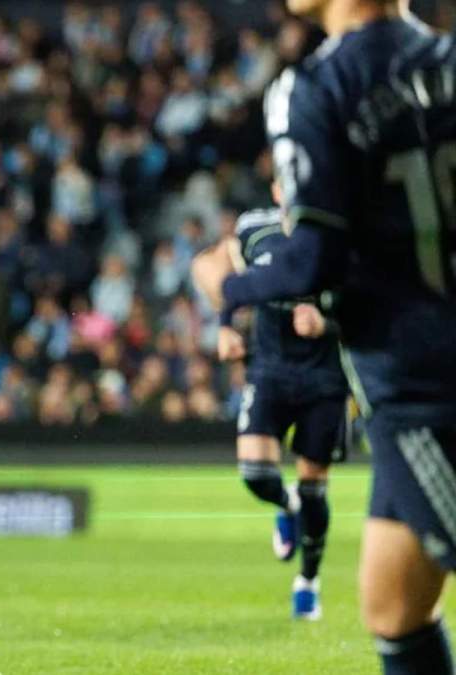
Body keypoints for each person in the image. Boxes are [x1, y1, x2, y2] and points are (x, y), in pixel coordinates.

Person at [193, 1, 456, 672]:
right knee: (394, 605)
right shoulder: (447, 61)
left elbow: (314, 258)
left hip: (424, 386)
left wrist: (227, 288)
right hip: (408, 378)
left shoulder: (316, 85)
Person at [197, 200, 349, 620]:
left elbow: (373, 306)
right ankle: (288, 507)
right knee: (256, 475)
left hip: (326, 379)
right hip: (269, 370)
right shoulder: (254, 227)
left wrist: (327, 323)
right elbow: (229, 275)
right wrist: (226, 326)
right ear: (277, 188)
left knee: (314, 485)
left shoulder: (342, 232)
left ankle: (308, 582)